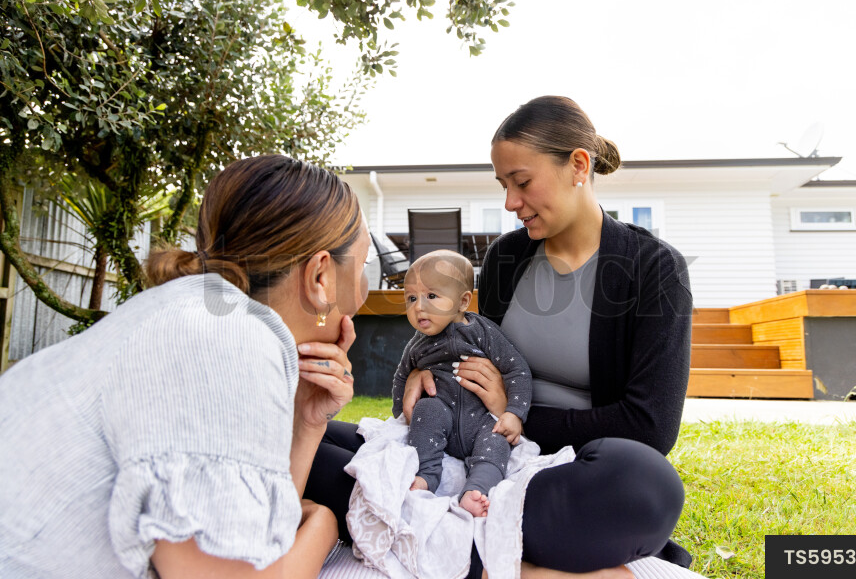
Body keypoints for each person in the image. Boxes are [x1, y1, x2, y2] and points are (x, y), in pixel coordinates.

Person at [305, 96, 692, 579]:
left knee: (646, 485)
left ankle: (431, 535)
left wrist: (515, 416)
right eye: (503, 185)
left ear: (578, 165)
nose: (510, 203)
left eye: (523, 182)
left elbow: (650, 426)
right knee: (306, 439)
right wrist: (424, 375)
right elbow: (466, 343)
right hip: (463, 442)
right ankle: (495, 558)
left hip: (561, 467)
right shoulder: (508, 259)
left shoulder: (653, 268)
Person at [0, 154, 371, 579]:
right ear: (321, 277)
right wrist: (324, 523)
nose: (359, 297)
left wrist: (307, 422)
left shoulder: (209, 315)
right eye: (360, 272)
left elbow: (259, 540)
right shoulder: (226, 336)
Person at [394, 250, 532, 517]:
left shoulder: (482, 332)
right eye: (411, 298)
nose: (419, 306)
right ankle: (425, 476)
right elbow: (402, 377)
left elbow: (517, 370)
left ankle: (476, 490)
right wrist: (403, 413)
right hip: (440, 416)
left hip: (480, 421)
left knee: (497, 441)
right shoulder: (418, 345)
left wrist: (514, 413)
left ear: (463, 301)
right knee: (427, 411)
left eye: (431, 296)